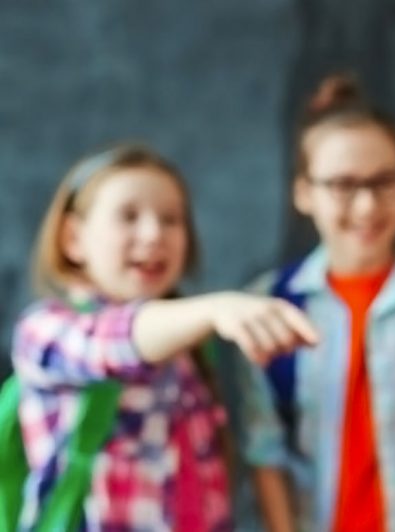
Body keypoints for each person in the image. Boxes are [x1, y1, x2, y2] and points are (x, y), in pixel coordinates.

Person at [8, 144, 316, 531]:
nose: (153, 234)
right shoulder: (45, 330)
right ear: (73, 238)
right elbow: (114, 342)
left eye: (171, 219)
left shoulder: (190, 352)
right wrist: (214, 308)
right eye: (128, 216)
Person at [237, 75, 395, 532]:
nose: (366, 207)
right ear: (303, 192)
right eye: (342, 184)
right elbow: (265, 448)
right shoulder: (270, 307)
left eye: (384, 182)